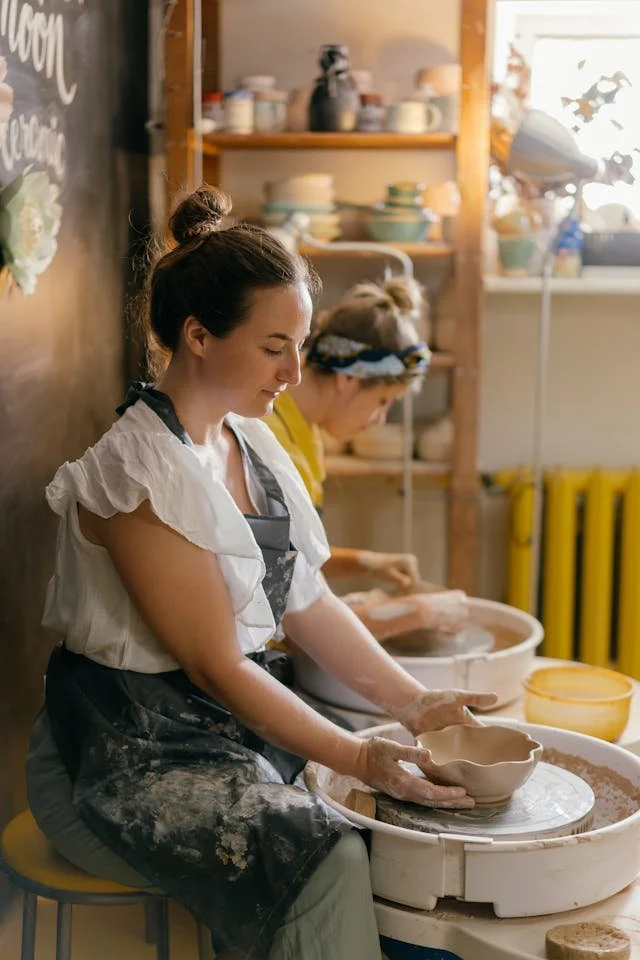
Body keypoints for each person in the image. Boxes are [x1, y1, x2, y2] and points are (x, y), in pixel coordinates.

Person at [26, 186, 496, 960]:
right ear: (199, 335)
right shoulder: (138, 473)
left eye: (300, 346)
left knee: (393, 810)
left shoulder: (251, 441)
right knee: (331, 847)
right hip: (121, 756)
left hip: (218, 734)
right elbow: (215, 665)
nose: (292, 371)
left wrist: (416, 705)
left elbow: (307, 602)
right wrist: (356, 753)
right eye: (275, 347)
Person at [265, 276, 468, 641]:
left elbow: (294, 555)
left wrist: (368, 562)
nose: (380, 419)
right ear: (347, 378)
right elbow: (280, 605)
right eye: (382, 401)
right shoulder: (271, 442)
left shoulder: (305, 429)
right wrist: (413, 613)